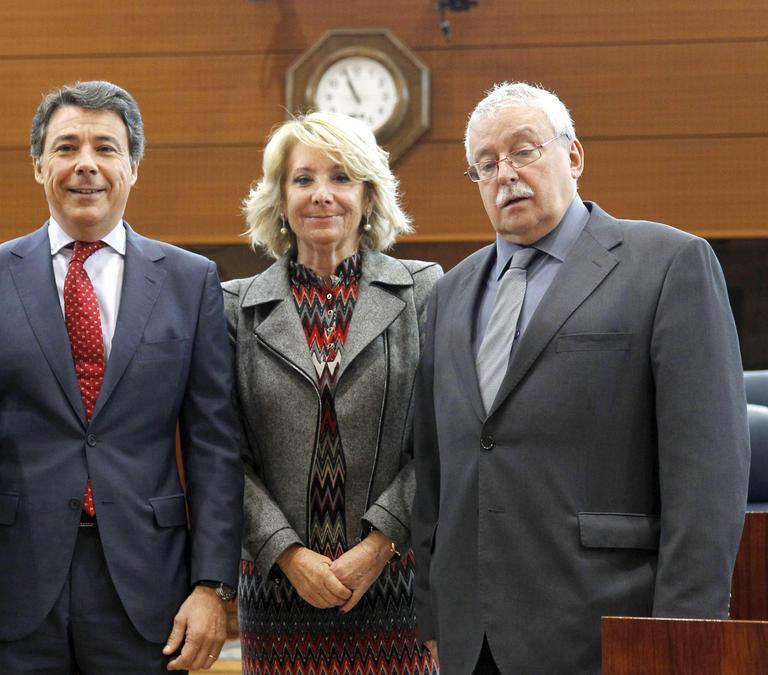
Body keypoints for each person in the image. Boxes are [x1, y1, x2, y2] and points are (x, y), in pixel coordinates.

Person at [411, 81, 750, 674]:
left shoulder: (668, 265)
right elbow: (436, 475)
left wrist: (684, 633)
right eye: (485, 165)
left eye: (523, 151)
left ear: (573, 156)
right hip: (474, 638)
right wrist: (436, 615)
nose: (505, 174)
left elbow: (708, 472)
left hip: (610, 623)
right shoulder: (448, 295)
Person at [0, 80, 243, 674]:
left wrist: (213, 585)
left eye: (106, 148)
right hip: (10, 584)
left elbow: (214, 445)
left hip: (149, 587)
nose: (86, 166)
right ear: (39, 165)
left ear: (134, 166)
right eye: (67, 147)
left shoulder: (190, 280)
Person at [223, 112, 440, 675]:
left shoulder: (423, 291)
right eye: (303, 179)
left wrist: (379, 546)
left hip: (397, 590)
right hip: (277, 595)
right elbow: (221, 455)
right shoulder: (232, 306)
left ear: (369, 198)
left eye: (342, 178)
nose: (322, 195)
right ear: (280, 199)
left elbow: (443, 440)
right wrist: (289, 555)